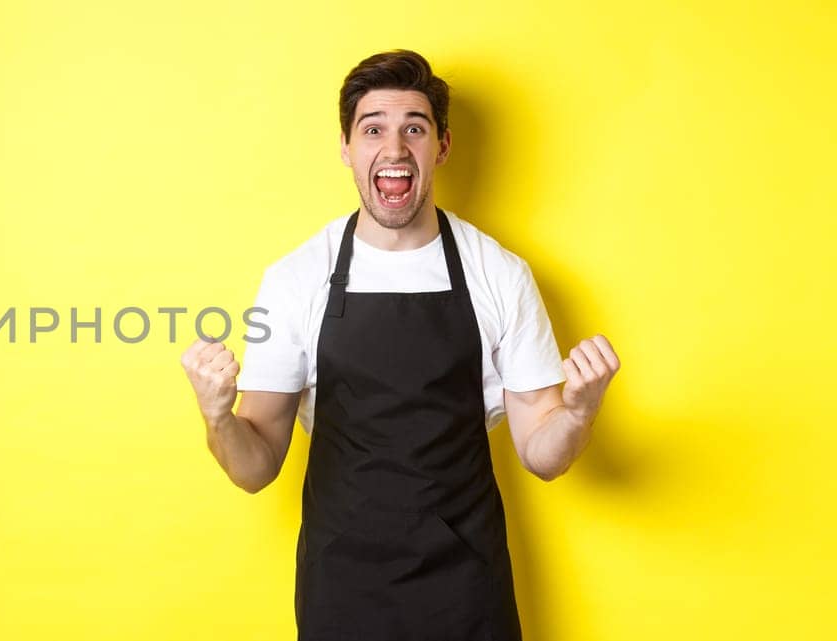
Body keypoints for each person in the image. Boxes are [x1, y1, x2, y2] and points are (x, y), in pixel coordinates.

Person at [179, 50, 621, 641]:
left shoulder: (499, 273)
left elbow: (544, 455)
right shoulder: (296, 279)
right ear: (346, 147)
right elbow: (255, 468)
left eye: (414, 127)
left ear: (441, 146)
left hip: (465, 580)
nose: (394, 149)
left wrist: (580, 411)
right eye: (373, 129)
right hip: (342, 581)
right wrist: (217, 418)